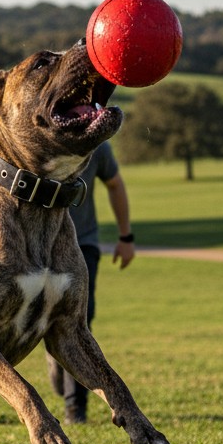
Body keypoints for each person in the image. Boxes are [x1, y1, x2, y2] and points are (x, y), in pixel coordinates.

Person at [47, 140, 135, 424]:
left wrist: (125, 237)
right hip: (37, 245)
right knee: (45, 319)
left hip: (82, 246)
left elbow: (115, 184)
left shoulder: (98, 147)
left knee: (78, 324)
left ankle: (75, 408)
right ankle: (54, 353)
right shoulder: (40, 141)